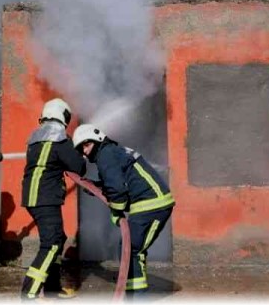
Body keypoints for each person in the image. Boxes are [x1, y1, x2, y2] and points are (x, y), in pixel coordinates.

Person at [72, 124, 174, 299]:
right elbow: (117, 181)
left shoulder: (105, 155)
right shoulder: (110, 152)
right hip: (148, 205)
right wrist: (96, 186)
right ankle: (132, 294)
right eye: (82, 148)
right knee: (129, 248)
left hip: (152, 205)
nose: (85, 152)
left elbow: (117, 190)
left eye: (87, 145)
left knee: (132, 249)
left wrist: (116, 211)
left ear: (98, 139)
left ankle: (138, 298)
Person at [20, 98, 87, 299]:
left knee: (58, 238)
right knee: (51, 244)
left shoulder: (35, 138)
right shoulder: (60, 139)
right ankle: (28, 294)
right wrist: (78, 153)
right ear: (63, 116)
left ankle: (52, 289)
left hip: (35, 198)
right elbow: (78, 167)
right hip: (46, 198)